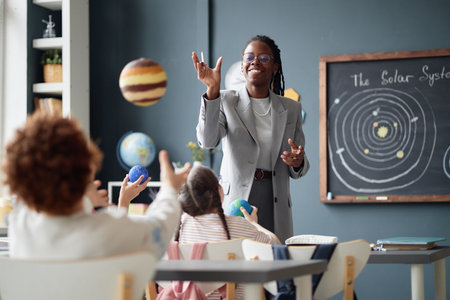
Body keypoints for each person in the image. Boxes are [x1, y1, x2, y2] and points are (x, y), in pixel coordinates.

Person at [3, 112, 190, 259]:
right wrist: (169, 187)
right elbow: (160, 227)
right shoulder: (107, 231)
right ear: (89, 168)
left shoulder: (20, 227)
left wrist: (88, 196)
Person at [192, 35, 309, 242]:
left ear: (275, 67)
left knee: (275, 261)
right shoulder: (225, 100)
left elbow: (299, 168)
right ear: (242, 66)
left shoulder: (291, 108)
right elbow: (208, 141)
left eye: (264, 58)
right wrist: (212, 91)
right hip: (237, 197)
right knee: (236, 263)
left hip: (275, 198)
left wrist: (298, 162)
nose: (255, 61)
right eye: (249, 57)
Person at [175, 165, 279, 300]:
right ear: (218, 191)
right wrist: (254, 224)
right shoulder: (239, 225)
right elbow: (277, 247)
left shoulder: (178, 228)